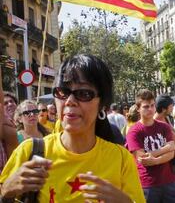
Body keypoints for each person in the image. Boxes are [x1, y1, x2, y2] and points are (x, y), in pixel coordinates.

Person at [0, 54, 145, 202]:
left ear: (102, 104)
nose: (70, 101)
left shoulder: (121, 159)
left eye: (84, 93)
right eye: (62, 92)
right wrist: (6, 191)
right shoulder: (29, 151)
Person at [126, 89, 175, 203]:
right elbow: (142, 158)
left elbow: (171, 153)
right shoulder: (134, 131)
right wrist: (165, 148)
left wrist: (155, 159)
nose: (150, 109)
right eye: (146, 107)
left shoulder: (164, 127)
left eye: (152, 105)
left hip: (169, 181)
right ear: (138, 109)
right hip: (148, 184)